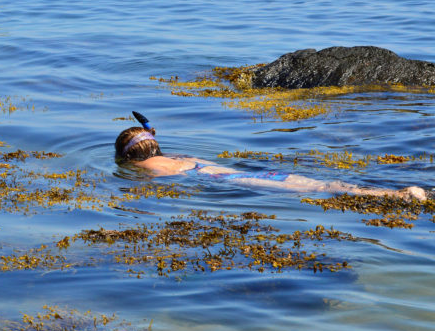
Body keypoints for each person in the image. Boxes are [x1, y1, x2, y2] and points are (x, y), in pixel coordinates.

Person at [115, 111, 428, 201]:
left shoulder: (150, 167)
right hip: (240, 174)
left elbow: (167, 186)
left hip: (232, 182)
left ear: (129, 156)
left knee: (320, 190)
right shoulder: (181, 155)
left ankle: (398, 195)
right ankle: (392, 192)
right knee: (316, 185)